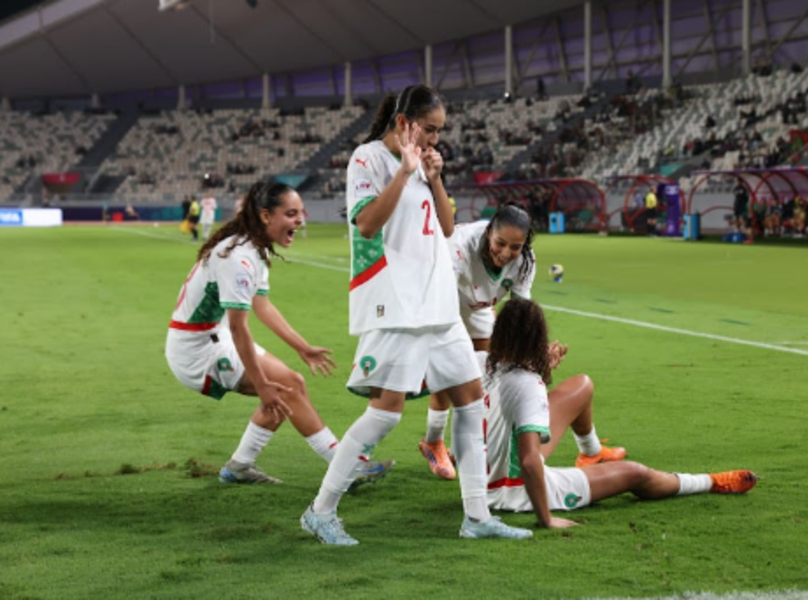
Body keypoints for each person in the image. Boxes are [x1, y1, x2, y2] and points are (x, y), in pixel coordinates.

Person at [300, 84, 532, 545]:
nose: (434, 139)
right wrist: (405, 173)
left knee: (470, 402)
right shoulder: (366, 158)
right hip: (395, 302)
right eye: (430, 129)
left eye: (439, 132)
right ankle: (320, 510)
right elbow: (366, 224)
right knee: (384, 415)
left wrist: (435, 176)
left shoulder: (425, 163)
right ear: (405, 123)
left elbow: (447, 228)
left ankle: (477, 516)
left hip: (439, 304)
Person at [165, 181, 392, 489]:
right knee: (284, 388)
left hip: (211, 337)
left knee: (289, 385)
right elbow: (238, 326)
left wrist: (302, 348)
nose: (300, 221)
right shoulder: (239, 259)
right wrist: (261, 384)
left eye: (301, 213)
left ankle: (239, 467)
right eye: (291, 213)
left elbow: (263, 307)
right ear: (265, 216)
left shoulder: (250, 248)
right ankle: (346, 468)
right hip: (197, 350)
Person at [483, 298, 758, 527]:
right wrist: (546, 519)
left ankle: (591, 453)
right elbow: (530, 461)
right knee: (636, 474)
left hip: (491, 474)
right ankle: (709, 482)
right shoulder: (529, 384)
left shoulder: (487, 366)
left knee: (582, 386)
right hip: (517, 491)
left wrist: (543, 369)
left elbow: (515, 397)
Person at [417, 203, 626, 481]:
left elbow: (520, 316)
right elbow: (439, 295)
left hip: (478, 307)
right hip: (443, 297)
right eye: (500, 243)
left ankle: (466, 443)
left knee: (490, 371)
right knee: (454, 365)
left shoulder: (526, 260)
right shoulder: (459, 246)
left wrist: (536, 355)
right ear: (489, 231)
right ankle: (434, 441)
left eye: (514, 247)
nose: (505, 253)